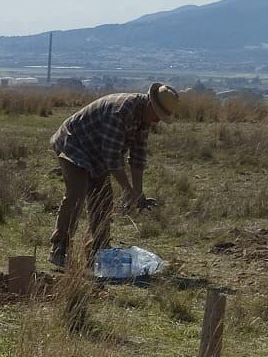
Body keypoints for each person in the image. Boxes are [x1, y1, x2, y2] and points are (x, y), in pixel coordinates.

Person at [47, 82, 179, 267]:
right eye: (158, 115)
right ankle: (59, 249)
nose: (157, 121)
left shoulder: (144, 119)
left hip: (97, 154)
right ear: (150, 104)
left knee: (103, 200)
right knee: (77, 194)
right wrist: (127, 189)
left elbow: (138, 157)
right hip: (74, 144)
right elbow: (112, 158)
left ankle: (98, 251)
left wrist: (138, 193)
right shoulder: (120, 111)